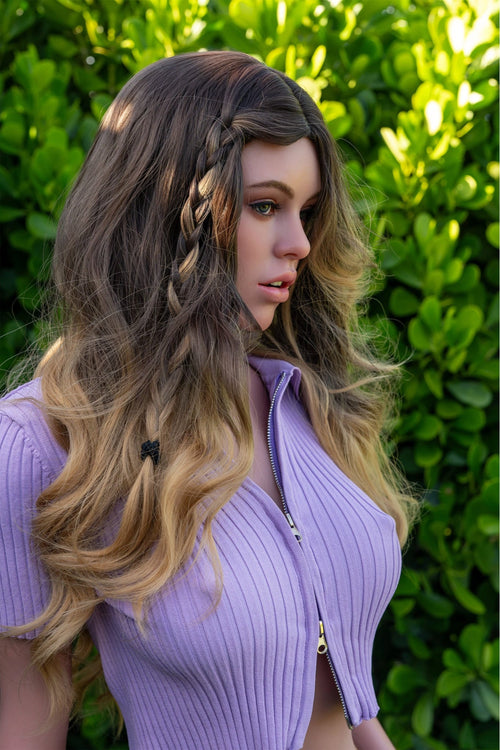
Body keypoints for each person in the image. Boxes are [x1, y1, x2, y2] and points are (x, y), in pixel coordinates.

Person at [0, 50, 417, 749]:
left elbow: (345, 700)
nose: (300, 244)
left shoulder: (300, 401)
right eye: (265, 206)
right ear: (164, 213)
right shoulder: (47, 440)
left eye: (309, 211)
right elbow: (24, 730)